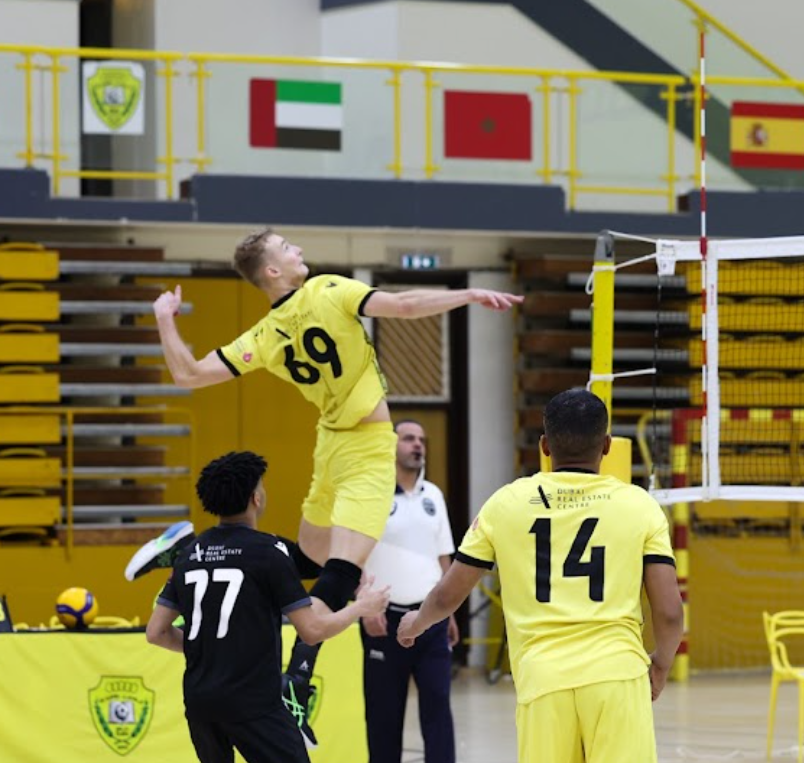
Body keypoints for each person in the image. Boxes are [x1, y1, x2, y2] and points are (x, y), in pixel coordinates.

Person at [129, 229, 521, 745]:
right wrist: (467, 295)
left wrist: (163, 319)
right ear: (272, 271)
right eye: (287, 248)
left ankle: (186, 553)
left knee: (310, 563)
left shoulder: (264, 336)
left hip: (329, 443)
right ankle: (295, 683)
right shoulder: (330, 290)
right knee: (338, 574)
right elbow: (402, 306)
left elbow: (188, 374)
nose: (297, 251)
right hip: (364, 450)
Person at [395, 388, 685, 763]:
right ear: (607, 445)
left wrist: (415, 623)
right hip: (617, 676)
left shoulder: (505, 504)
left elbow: (448, 595)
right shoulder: (639, 505)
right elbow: (670, 613)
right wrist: (661, 663)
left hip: (543, 680)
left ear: (545, 446)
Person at [145, 451, 390, 763]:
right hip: (254, 703)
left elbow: (156, 632)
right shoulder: (271, 553)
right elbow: (312, 631)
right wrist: (361, 607)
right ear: (255, 498)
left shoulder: (189, 554)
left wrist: (207, 650)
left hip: (200, 702)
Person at [360, 420, 459, 763]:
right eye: (408, 439)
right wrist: (365, 605)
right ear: (392, 446)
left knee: (438, 710)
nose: (417, 445)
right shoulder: (372, 493)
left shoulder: (434, 495)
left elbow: (444, 554)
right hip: (383, 622)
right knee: (383, 715)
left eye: (422, 439)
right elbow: (353, 554)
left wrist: (450, 610)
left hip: (430, 620)